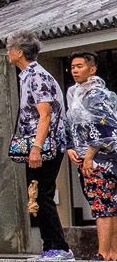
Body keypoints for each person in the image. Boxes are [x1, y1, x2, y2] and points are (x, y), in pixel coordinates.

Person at [6, 35, 70, 260]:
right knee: (36, 195)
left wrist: (36, 147)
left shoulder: (38, 76)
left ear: (19, 52)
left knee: (43, 194)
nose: (7, 53)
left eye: (9, 48)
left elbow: (45, 115)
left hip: (44, 144)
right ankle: (49, 247)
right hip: (38, 142)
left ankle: (59, 247)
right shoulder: (27, 76)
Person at [62, 52, 117, 262]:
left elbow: (107, 128)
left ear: (91, 69)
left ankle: (104, 253)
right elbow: (71, 125)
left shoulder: (98, 94)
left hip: (102, 158)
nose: (75, 70)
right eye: (72, 67)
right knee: (107, 204)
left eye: (79, 66)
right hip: (84, 154)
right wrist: (70, 147)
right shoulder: (74, 93)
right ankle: (111, 253)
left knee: (103, 206)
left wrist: (89, 155)